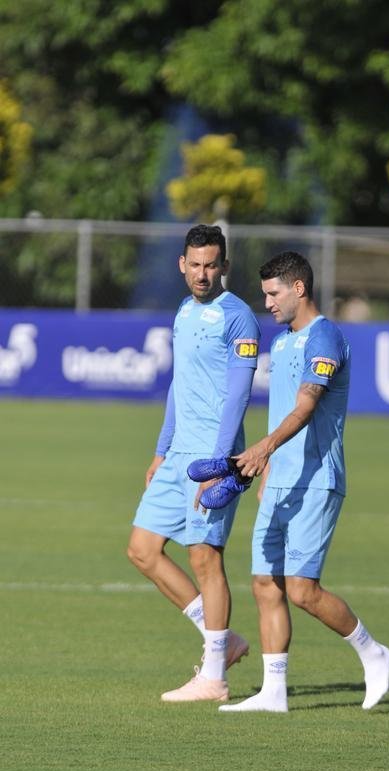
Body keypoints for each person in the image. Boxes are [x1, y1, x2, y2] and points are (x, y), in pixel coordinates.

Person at [218, 251, 389, 713]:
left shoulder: (325, 338)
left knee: (301, 589)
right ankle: (273, 693)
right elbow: (282, 411)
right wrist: (270, 468)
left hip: (317, 480)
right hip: (280, 481)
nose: (268, 303)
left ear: (298, 288)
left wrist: (262, 449)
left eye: (273, 294)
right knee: (263, 584)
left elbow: (306, 406)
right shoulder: (285, 342)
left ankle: (373, 653)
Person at [127, 224, 260, 703]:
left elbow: (239, 395)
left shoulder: (239, 317)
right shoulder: (183, 311)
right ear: (182, 265)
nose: (202, 274)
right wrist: (161, 450)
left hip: (213, 456)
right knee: (143, 549)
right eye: (195, 265)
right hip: (177, 454)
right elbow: (177, 387)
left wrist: (222, 463)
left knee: (205, 557)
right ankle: (225, 642)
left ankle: (214, 677)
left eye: (211, 265)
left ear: (224, 266)